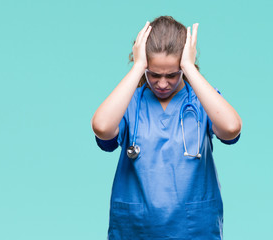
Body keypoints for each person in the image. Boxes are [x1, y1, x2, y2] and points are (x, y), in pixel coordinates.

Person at [91, 16, 242, 240]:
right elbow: (102, 127)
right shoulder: (130, 102)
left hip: (194, 230)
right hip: (135, 230)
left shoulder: (200, 101)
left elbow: (231, 128)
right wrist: (138, 67)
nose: (162, 84)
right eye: (154, 74)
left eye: (172, 74)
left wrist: (189, 68)